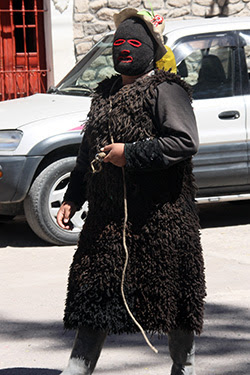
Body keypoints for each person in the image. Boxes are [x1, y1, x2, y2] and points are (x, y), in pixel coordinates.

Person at [57, 7, 206, 375]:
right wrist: (73, 197)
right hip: (107, 223)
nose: (124, 49)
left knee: (174, 300)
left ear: (149, 49)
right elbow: (86, 152)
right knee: (95, 297)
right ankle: (77, 369)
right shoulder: (104, 93)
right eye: (118, 42)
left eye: (133, 43)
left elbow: (184, 142)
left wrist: (132, 154)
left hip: (162, 222)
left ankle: (182, 367)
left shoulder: (166, 90)